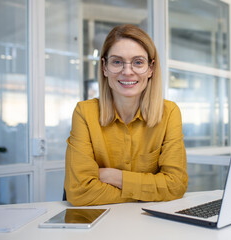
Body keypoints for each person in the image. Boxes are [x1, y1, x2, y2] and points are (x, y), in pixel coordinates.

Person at [64, 24, 188, 206]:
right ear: (104, 67)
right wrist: (151, 188)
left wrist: (114, 177)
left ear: (151, 69)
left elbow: (175, 185)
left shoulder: (169, 113)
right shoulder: (84, 113)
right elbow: (79, 191)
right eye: (117, 62)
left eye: (138, 62)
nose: (128, 71)